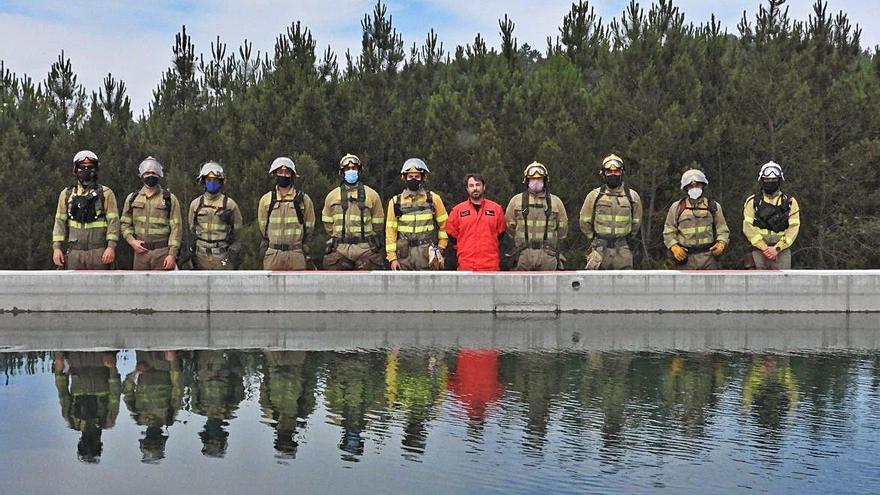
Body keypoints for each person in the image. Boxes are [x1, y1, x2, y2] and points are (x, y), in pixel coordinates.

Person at [52, 150, 119, 269]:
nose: (86, 170)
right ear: (75, 169)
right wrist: (57, 248)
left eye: (90, 167)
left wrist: (110, 247)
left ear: (96, 169)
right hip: (74, 253)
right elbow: (59, 223)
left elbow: (113, 222)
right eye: (82, 167)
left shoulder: (106, 193)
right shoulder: (67, 194)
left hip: (99, 253)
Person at [321, 154, 385, 270]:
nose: (351, 171)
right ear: (342, 172)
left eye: (354, 168)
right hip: (340, 248)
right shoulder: (332, 196)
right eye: (347, 169)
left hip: (365, 248)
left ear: (359, 171)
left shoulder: (372, 195)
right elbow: (328, 224)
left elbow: (378, 224)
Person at [579, 154, 642, 269]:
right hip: (599, 249)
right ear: (603, 173)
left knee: (625, 283)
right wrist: (593, 238)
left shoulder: (632, 196)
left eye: (616, 171)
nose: (613, 174)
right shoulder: (594, 196)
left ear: (622, 172)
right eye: (609, 171)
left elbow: (636, 222)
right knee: (597, 283)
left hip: (623, 248)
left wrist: (627, 238)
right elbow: (584, 221)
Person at [385, 158, 449, 270]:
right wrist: (392, 258)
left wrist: (441, 247)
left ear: (423, 178)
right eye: (410, 177)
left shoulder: (433, 199)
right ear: (404, 178)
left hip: (426, 255)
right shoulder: (395, 202)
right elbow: (390, 231)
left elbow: (445, 225)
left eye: (417, 177)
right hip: (404, 256)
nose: (413, 179)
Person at [120, 157, 183, 270]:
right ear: (141, 175)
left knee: (163, 287)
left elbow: (176, 228)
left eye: (154, 172)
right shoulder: (132, 198)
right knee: (140, 286)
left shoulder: (169, 199)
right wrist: (132, 241)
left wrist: (172, 254)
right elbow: (124, 224)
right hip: (140, 253)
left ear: (159, 175)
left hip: (162, 253)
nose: (150, 175)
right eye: (147, 172)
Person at [504, 162, 569, 270]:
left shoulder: (555, 202)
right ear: (527, 180)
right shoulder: (516, 201)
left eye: (539, 179)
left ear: (545, 180)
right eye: (532, 179)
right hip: (523, 255)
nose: (536, 182)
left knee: (549, 285)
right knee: (521, 285)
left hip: (548, 254)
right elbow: (509, 227)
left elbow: (562, 230)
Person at [663, 169, 730, 269]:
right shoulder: (677, 207)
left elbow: (722, 229)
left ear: (703, 185)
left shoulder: (713, 206)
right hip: (685, 258)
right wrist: (674, 247)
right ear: (685, 188)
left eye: (697, 185)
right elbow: (669, 231)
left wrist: (721, 243)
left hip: (709, 257)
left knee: (711, 284)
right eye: (691, 186)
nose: (694, 188)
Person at [257, 157, 316, 270]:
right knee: (271, 286)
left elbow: (310, 226)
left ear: (292, 175)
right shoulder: (266, 199)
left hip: (296, 253)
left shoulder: (303, 199)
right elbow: (263, 226)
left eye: (287, 172)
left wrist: (300, 244)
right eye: (280, 172)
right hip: (273, 254)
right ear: (275, 174)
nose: (283, 175)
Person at [742, 161, 800, 269]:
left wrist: (777, 249)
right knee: (757, 283)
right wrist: (764, 247)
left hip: (781, 252)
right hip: (758, 251)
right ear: (762, 180)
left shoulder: (790, 202)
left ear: (780, 180)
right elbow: (747, 227)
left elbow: (793, 229)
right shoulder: (753, 201)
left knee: (782, 284)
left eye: (774, 180)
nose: (770, 182)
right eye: (767, 180)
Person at [188, 162, 243, 270]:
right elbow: (192, 228)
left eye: (215, 180)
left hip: (222, 257)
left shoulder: (230, 205)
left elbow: (238, 232)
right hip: (200, 257)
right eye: (208, 180)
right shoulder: (195, 204)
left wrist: (233, 254)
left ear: (221, 182)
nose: (211, 183)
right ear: (203, 181)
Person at [445, 173, 506, 271]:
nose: (475, 188)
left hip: (490, 266)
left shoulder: (496, 209)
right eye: (471, 186)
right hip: (466, 266)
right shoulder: (457, 211)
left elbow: (501, 234)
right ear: (467, 189)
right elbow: (452, 235)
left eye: (478, 185)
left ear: (484, 187)